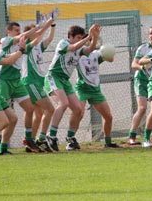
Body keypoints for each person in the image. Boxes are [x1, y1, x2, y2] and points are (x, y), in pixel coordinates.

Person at [44, 23, 101, 151]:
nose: (80, 40)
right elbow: (74, 46)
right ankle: (51, 135)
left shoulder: (79, 48)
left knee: (78, 109)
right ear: (70, 36)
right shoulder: (63, 43)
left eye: (82, 37)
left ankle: (70, 138)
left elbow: (89, 49)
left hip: (64, 80)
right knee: (63, 103)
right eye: (78, 37)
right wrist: (88, 37)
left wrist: (95, 37)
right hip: (54, 77)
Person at [0, 21, 48, 153]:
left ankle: (28, 139)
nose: (19, 33)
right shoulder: (6, 41)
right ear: (8, 32)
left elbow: (36, 39)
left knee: (30, 108)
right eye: (16, 30)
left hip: (17, 80)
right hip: (4, 80)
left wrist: (48, 24)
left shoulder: (22, 44)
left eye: (19, 31)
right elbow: (29, 34)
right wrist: (38, 26)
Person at [21, 11, 57, 152]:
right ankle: (41, 139)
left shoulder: (37, 47)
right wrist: (45, 24)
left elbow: (49, 38)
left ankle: (30, 142)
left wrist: (52, 24)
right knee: (50, 109)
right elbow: (40, 34)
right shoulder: (27, 46)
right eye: (34, 32)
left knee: (39, 113)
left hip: (37, 82)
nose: (37, 33)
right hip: (31, 82)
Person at [75, 42, 120, 148]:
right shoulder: (78, 55)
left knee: (108, 117)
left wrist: (107, 52)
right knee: (79, 114)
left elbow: (111, 59)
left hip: (95, 91)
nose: (89, 44)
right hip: (82, 89)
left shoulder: (95, 54)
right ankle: (70, 139)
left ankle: (108, 142)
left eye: (91, 42)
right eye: (86, 41)